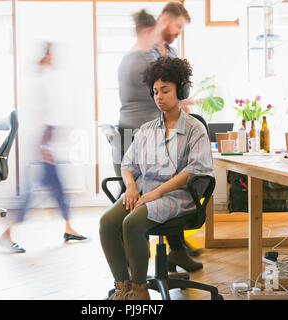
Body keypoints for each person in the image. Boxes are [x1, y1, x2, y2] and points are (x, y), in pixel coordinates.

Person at [100, 57, 214, 300]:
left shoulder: (195, 129)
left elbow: (193, 171)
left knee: (131, 223)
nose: (159, 97)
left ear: (180, 90)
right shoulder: (147, 129)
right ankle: (123, 288)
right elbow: (128, 165)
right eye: (155, 92)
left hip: (177, 196)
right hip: (145, 193)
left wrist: (156, 193)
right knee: (107, 223)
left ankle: (140, 291)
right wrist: (131, 187)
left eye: (165, 90)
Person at [116, 3, 202, 275]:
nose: (178, 33)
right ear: (160, 23)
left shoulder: (166, 52)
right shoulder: (142, 57)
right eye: (177, 26)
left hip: (160, 134)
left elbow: (176, 94)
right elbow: (159, 94)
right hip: (139, 134)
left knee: (166, 184)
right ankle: (135, 267)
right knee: (139, 196)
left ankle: (175, 252)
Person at [0, 43, 87, 254]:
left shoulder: (46, 81)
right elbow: (36, 118)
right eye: (50, 56)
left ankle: (68, 228)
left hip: (46, 144)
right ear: (44, 58)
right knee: (28, 195)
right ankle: (6, 236)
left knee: (58, 189)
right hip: (39, 146)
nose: (53, 60)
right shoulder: (36, 84)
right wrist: (43, 148)